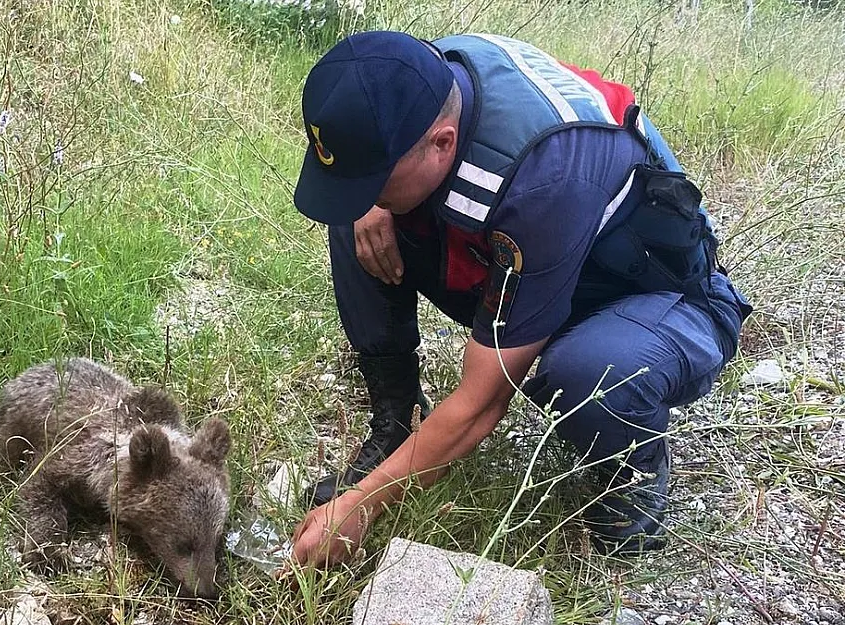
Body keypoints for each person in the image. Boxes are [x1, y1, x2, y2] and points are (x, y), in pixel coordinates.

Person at [286, 30, 753, 567]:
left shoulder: (544, 181)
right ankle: (398, 421)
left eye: (377, 177)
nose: (366, 192)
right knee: (360, 223)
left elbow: (483, 402)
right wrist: (367, 200)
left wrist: (360, 508)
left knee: (590, 369)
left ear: (441, 143)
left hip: (651, 297)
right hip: (549, 260)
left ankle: (631, 477)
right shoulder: (419, 79)